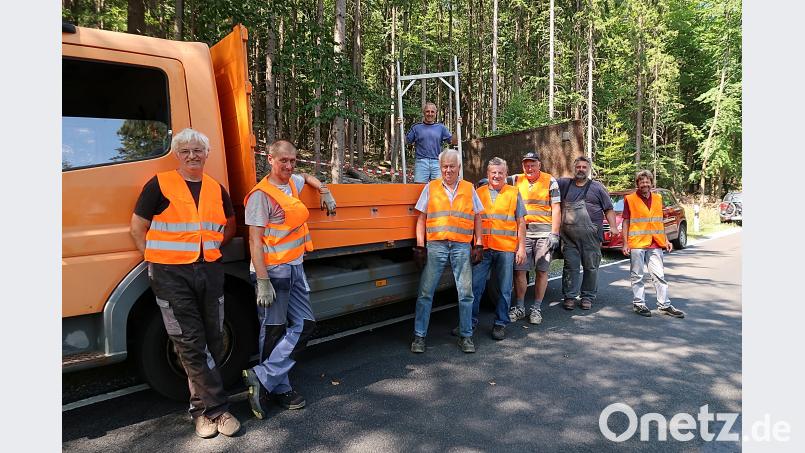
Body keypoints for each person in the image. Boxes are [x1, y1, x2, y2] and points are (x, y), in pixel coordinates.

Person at [129, 128, 241, 438]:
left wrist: (213, 248)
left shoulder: (216, 188)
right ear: (177, 155)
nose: (192, 155)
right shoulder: (160, 184)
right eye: (186, 151)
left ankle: (198, 407)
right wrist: (153, 259)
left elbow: (229, 225)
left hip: (210, 271)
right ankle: (216, 410)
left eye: (198, 150)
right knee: (190, 342)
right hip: (171, 275)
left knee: (214, 339)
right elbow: (138, 227)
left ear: (207, 154)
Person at [241, 140, 337, 419]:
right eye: (283, 160)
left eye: (293, 161)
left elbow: (307, 176)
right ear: (269, 159)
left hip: (295, 267)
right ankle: (279, 387)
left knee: (305, 325)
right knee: (273, 330)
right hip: (272, 272)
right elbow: (254, 242)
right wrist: (262, 280)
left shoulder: (293, 181)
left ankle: (262, 377)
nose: (289, 166)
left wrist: (324, 189)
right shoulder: (261, 195)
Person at [411, 148, 484, 353]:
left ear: (459, 168)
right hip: (436, 245)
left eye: (452, 166)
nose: (448, 170)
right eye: (445, 167)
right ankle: (419, 337)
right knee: (426, 292)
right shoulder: (431, 187)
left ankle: (466, 336)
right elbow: (421, 218)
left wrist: (478, 243)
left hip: (461, 246)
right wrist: (419, 246)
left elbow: (478, 217)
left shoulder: (469, 188)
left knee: (465, 293)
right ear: (440, 168)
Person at [463, 157, 526, 340]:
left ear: (506, 174)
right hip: (483, 248)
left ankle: (500, 323)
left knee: (504, 289)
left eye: (500, 172)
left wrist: (521, 248)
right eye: (493, 173)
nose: (497, 176)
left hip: (505, 248)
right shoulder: (479, 192)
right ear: (488, 174)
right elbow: (471, 220)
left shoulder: (514, 193)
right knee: (475, 287)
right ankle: (469, 322)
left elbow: (521, 222)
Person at [557, 156, 620, 311]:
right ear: (574, 168)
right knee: (570, 267)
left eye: (584, 167)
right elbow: (546, 183)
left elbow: (609, 209)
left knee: (591, 267)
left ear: (589, 169)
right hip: (569, 237)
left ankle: (587, 296)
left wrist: (613, 227)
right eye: (578, 167)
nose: (581, 170)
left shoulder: (597, 188)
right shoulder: (564, 184)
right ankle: (570, 297)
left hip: (591, 237)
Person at [621, 170, 685, 318]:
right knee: (637, 275)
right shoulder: (629, 199)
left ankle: (664, 305)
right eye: (641, 182)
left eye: (647, 181)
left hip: (655, 242)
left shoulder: (658, 198)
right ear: (637, 184)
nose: (645, 184)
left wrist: (666, 240)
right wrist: (625, 243)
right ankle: (639, 303)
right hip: (637, 243)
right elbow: (626, 222)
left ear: (651, 183)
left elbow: (658, 221)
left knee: (659, 275)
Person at [509, 151, 561, 325]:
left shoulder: (550, 181)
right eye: (526, 164)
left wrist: (554, 233)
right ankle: (520, 307)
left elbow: (556, 208)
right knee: (519, 270)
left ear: (539, 165)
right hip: (523, 234)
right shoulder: (517, 179)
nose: (529, 168)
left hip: (543, 234)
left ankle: (536, 309)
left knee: (542, 270)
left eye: (532, 164)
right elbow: (498, 179)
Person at [402, 102, 459, 183]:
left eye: (432, 112)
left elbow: (454, 141)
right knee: (419, 189)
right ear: (424, 113)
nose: (430, 114)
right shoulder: (416, 127)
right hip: (421, 162)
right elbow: (406, 141)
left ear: (435, 113)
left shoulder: (441, 128)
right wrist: (399, 127)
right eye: (427, 111)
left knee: (438, 189)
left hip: (437, 162)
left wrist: (457, 127)